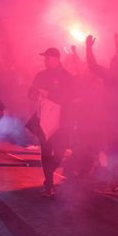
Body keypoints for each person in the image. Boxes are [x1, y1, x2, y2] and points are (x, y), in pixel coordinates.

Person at [86, 34, 118, 192]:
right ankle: (116, 177)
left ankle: (114, 179)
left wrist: (88, 48)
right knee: (116, 148)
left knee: (112, 148)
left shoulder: (111, 74)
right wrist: (117, 45)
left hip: (112, 118)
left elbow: (92, 65)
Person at [28, 47, 73, 197]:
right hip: (44, 120)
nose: (45, 61)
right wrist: (35, 94)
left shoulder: (66, 76)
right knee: (46, 151)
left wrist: (50, 94)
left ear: (56, 59)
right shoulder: (40, 75)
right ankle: (49, 183)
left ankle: (49, 175)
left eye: (47, 58)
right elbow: (30, 93)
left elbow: (70, 96)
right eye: (44, 58)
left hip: (62, 120)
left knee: (60, 151)